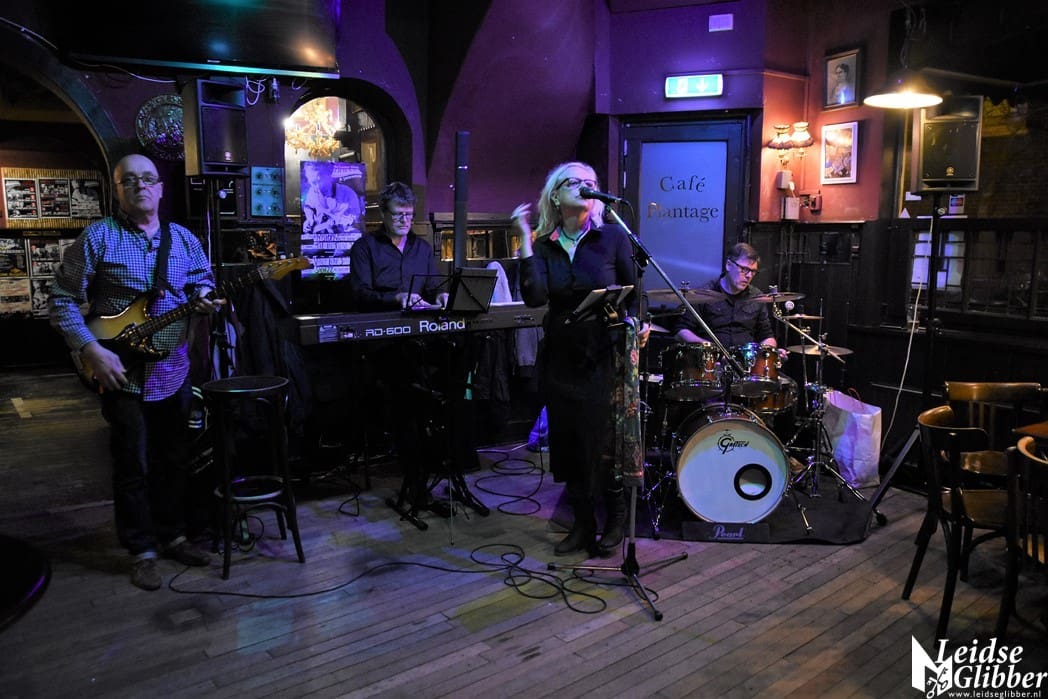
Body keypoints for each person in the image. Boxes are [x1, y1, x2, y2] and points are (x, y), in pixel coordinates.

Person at [49, 153, 224, 591]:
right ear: (118, 190)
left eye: (148, 179)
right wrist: (91, 350)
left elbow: (202, 279)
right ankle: (142, 550)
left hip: (173, 370)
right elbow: (61, 299)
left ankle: (173, 535)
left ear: (161, 188)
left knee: (173, 459)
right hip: (120, 372)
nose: (140, 186)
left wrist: (204, 296)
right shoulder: (98, 237)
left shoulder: (183, 239)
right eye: (129, 180)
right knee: (132, 464)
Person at [511, 161, 649, 558]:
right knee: (568, 442)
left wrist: (640, 321)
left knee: (600, 440)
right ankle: (583, 523)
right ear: (556, 195)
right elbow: (535, 297)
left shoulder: (613, 237)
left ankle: (616, 517)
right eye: (575, 182)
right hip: (560, 357)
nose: (586, 186)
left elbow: (635, 290)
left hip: (602, 354)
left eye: (591, 182)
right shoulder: (544, 245)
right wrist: (524, 239)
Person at [348, 181, 449, 311]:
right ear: (383, 213)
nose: (404, 220)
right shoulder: (364, 247)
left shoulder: (423, 248)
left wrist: (440, 295)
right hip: (381, 318)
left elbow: (432, 288)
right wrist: (397, 298)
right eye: (397, 214)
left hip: (417, 319)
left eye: (409, 214)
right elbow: (361, 295)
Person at [673, 242, 778, 350]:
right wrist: (706, 347)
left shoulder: (757, 297)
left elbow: (766, 335)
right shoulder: (703, 294)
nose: (749, 276)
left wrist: (771, 352)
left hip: (745, 359)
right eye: (744, 269)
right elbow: (681, 330)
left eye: (753, 271)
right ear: (728, 265)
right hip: (711, 357)